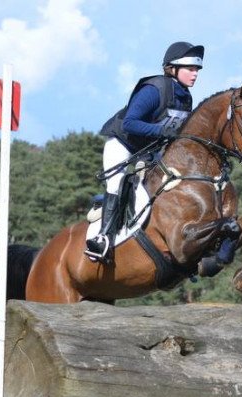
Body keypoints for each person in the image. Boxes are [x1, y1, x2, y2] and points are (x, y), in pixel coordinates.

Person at [85, 41, 204, 262]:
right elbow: (130, 123)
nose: (195, 74)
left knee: (170, 185)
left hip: (149, 152)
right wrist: (163, 131)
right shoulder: (154, 89)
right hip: (123, 144)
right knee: (117, 184)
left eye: (197, 69)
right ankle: (103, 239)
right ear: (172, 68)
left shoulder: (186, 98)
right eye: (190, 69)